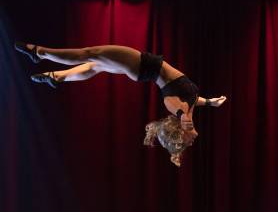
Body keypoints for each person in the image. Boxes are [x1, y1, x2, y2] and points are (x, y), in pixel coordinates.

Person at [15, 42, 227, 167]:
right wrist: (210, 102)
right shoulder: (188, 105)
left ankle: (40, 52)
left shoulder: (177, 109)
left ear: (182, 131)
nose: (193, 141)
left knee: (91, 53)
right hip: (142, 70)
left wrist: (184, 118)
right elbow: (192, 100)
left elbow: (177, 107)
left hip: (143, 65)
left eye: (187, 142)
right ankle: (57, 76)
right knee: (94, 66)